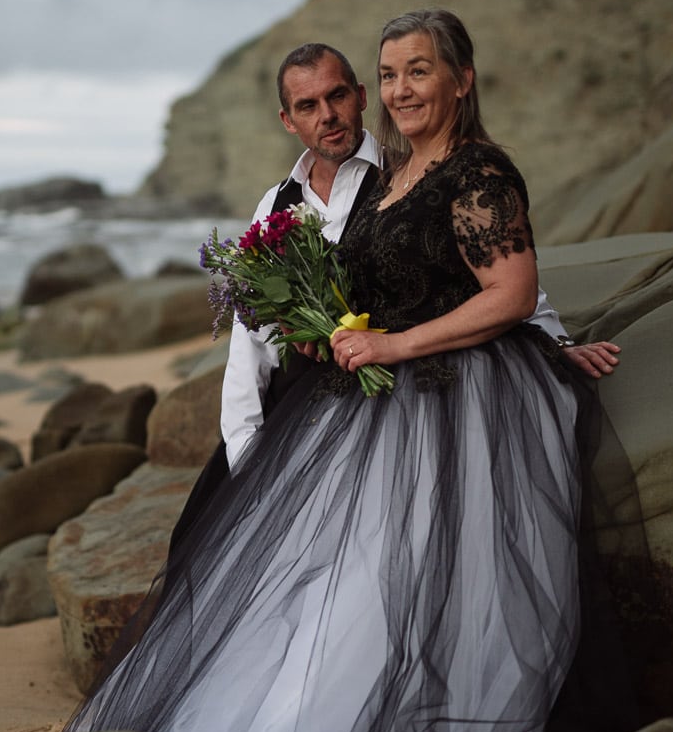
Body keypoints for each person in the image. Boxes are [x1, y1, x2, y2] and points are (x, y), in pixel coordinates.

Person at [65, 10, 618, 732]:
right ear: (288, 117)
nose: (396, 91)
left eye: (415, 73)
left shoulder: (455, 171)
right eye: (392, 74)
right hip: (333, 413)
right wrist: (252, 452)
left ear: (461, 79)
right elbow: (254, 344)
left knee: (391, 584)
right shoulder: (326, 194)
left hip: (434, 398)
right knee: (281, 579)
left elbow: (502, 286)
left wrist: (549, 341)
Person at [221, 41, 620, 472]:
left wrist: (550, 348)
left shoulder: (412, 177)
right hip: (302, 401)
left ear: (360, 96)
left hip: (396, 393)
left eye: (336, 96)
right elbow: (251, 334)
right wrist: (243, 440)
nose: (327, 116)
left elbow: (494, 273)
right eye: (307, 105)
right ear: (288, 120)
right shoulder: (273, 205)